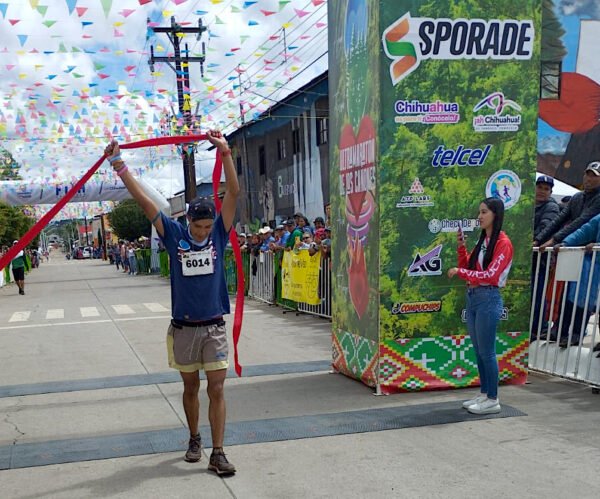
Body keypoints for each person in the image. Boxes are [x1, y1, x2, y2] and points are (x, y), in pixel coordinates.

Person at [103, 129, 239, 476]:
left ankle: (218, 452)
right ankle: (194, 438)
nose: (204, 232)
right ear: (188, 221)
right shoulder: (174, 234)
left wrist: (225, 152)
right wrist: (119, 165)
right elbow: (144, 201)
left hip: (214, 326)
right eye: (199, 226)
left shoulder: (219, 235)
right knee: (191, 387)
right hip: (184, 327)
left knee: (217, 388)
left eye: (208, 226)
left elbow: (234, 192)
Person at [448, 198, 513, 415]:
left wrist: (461, 272)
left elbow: (491, 275)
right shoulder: (484, 240)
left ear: (496, 214)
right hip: (474, 297)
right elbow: (468, 267)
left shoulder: (503, 242)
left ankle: (493, 399)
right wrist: (461, 248)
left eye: (484, 212)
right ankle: (485, 394)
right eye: (479, 212)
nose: (480, 216)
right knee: (479, 351)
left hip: (488, 298)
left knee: (487, 352)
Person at [554, 213, 600, 349]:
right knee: (581, 299)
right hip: (595, 267)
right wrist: (566, 243)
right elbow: (585, 230)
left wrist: (597, 245)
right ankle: (575, 334)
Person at [535, 162, 600, 249]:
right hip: (572, 245)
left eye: (594, 176)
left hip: (590, 248)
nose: (588, 179)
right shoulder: (577, 197)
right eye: (587, 174)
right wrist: (538, 240)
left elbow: (581, 221)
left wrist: (554, 240)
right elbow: (559, 219)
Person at [531, 175, 560, 337]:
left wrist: (533, 241)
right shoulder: (529, 204)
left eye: (546, 189)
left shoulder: (551, 207)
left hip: (540, 259)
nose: (542, 191)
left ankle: (538, 328)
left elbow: (545, 227)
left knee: (538, 294)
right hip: (528, 258)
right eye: (539, 187)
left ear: (550, 192)